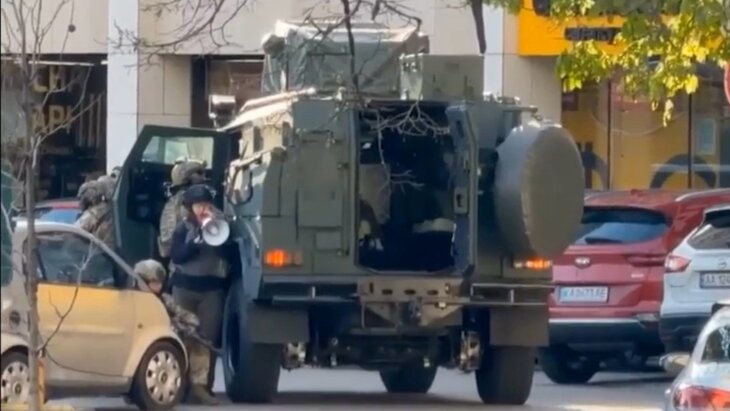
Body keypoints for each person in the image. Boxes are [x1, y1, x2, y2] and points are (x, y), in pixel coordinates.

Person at [169, 184, 238, 406]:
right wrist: (195, 243)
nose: (202, 209)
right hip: (184, 289)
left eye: (206, 205)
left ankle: (203, 386)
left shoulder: (220, 225)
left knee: (206, 340)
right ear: (190, 207)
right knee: (183, 337)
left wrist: (219, 238)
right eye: (198, 205)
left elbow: (230, 255)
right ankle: (180, 386)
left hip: (210, 290)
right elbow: (177, 256)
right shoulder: (182, 228)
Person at [133, 259, 220, 406]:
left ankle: (197, 387)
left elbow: (181, 313)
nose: (158, 285)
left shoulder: (164, 299)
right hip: (146, 342)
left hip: (167, 337)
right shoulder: (135, 300)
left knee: (199, 344)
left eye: (159, 282)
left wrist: (190, 323)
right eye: (153, 282)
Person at [158, 159, 207, 260]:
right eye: (199, 173)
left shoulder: (175, 200)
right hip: (185, 254)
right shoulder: (185, 201)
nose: (203, 177)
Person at [75, 180, 116, 250]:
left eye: (81, 197)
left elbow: (74, 232)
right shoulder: (110, 209)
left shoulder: (93, 214)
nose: (80, 201)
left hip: (99, 252)